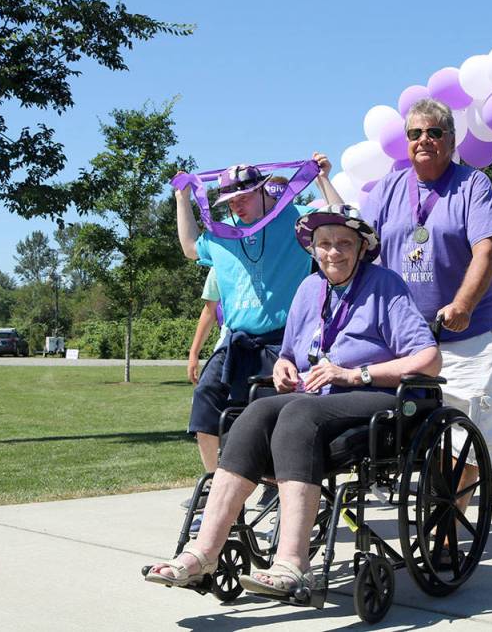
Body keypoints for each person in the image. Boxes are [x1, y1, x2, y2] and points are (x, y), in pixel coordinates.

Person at [144, 205, 440, 596]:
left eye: (344, 244)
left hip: (373, 397)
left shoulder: (384, 284)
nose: (333, 252)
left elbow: (429, 359)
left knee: (299, 413)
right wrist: (284, 365)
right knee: (257, 410)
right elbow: (290, 352)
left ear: (362, 247)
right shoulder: (309, 289)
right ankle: (203, 553)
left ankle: (293, 563)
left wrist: (354, 374)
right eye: (324, 244)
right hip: (314, 396)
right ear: (312, 249)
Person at [359, 98, 492, 492]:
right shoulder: (388, 189)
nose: (424, 139)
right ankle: (432, 512)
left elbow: (487, 250)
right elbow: (361, 248)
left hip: (467, 334)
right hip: (404, 339)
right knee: (408, 431)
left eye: (434, 132)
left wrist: (463, 304)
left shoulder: (472, 184)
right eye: (415, 133)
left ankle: (447, 529)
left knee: (463, 436)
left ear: (451, 140)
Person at [175, 155, 341, 475]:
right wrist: (183, 199)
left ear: (264, 190)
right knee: (205, 405)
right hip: (236, 343)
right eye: (230, 200)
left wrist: (322, 179)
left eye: (244, 197)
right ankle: (213, 481)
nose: (237, 205)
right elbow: (190, 247)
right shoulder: (223, 233)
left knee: (273, 419)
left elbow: (339, 219)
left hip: (282, 344)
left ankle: (278, 488)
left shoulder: (295, 219)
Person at [187, 268, 225, 384]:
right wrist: (194, 353)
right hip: (228, 345)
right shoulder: (218, 264)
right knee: (203, 393)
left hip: (271, 345)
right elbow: (209, 310)